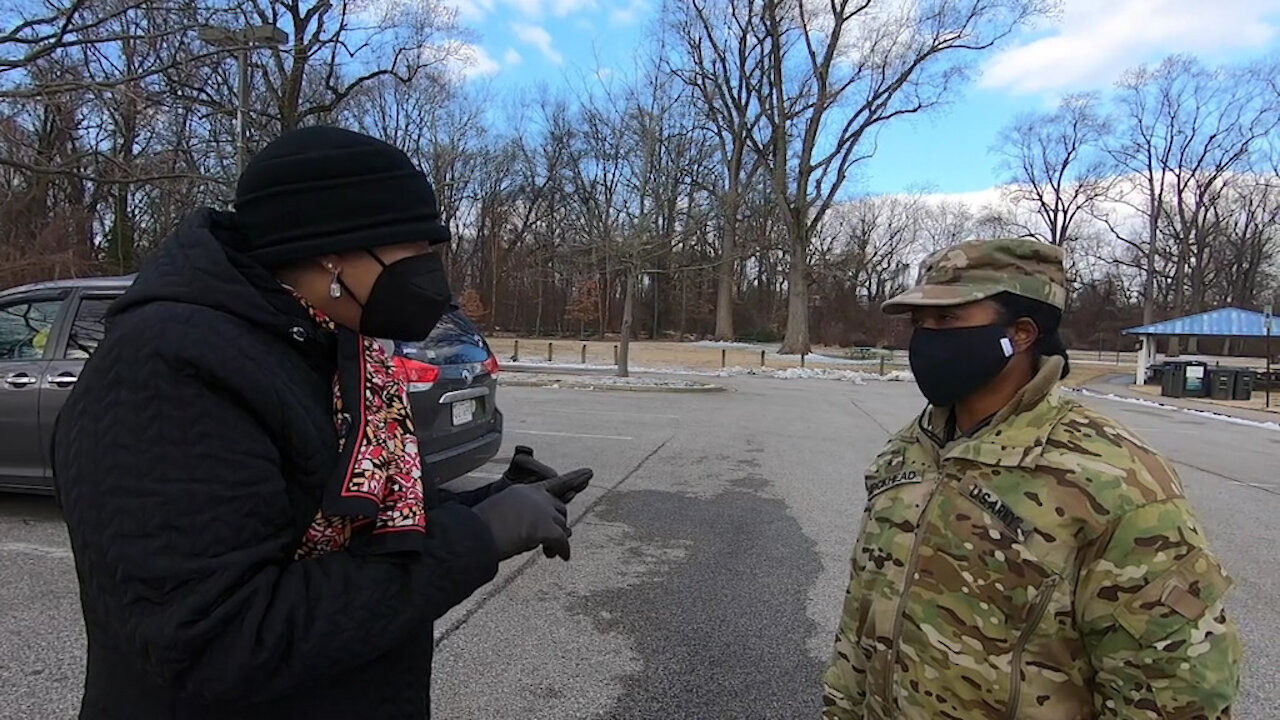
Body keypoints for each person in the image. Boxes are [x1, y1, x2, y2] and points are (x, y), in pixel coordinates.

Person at [52, 126, 593, 719]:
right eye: (414, 250)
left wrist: (493, 502)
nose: (431, 274)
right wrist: (476, 538)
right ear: (332, 251)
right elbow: (217, 642)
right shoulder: (168, 369)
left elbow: (349, 530)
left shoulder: (327, 346)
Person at [821, 238, 1241, 719]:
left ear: (1020, 334)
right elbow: (862, 618)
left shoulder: (1115, 477)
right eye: (920, 323)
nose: (926, 339)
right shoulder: (906, 451)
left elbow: (1174, 687)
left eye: (948, 320)